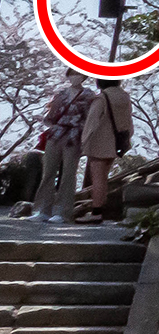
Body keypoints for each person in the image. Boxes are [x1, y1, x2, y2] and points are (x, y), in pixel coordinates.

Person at [30, 70, 92, 222]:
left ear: (84, 77)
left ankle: (62, 212)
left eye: (78, 75)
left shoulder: (88, 96)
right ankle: (42, 210)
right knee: (48, 172)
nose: (75, 77)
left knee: (69, 174)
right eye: (72, 74)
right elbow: (50, 116)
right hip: (56, 134)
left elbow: (90, 118)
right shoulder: (61, 94)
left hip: (74, 136)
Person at [76, 80, 132, 223]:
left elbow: (92, 122)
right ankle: (100, 209)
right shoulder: (125, 97)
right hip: (116, 143)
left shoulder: (102, 98)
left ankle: (96, 212)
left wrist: (83, 142)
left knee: (98, 179)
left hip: (100, 142)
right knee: (104, 177)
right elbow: (128, 121)